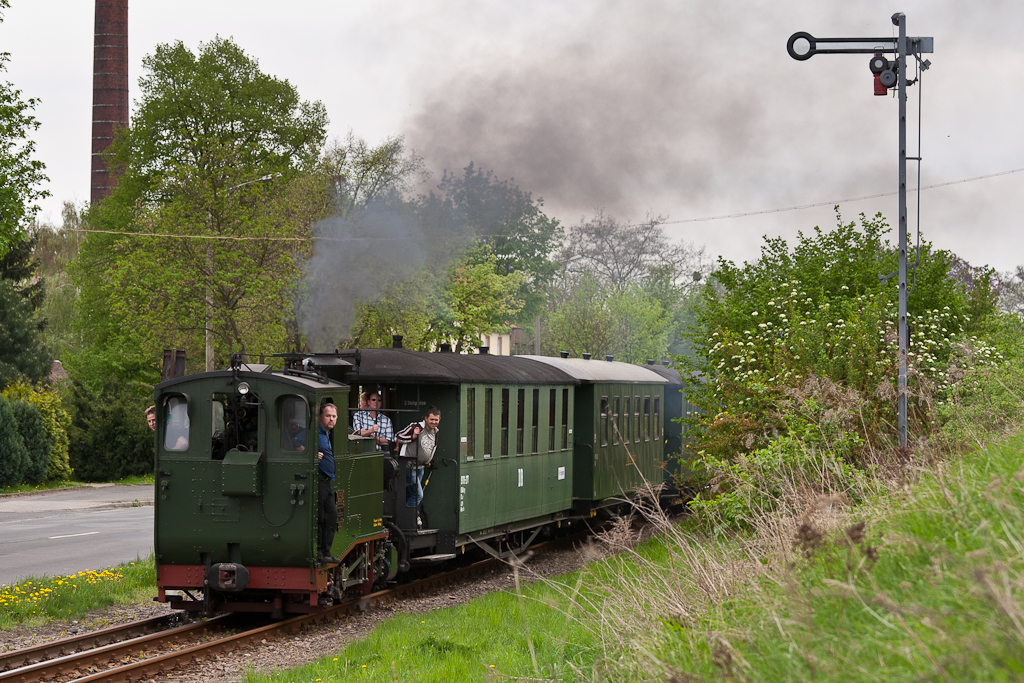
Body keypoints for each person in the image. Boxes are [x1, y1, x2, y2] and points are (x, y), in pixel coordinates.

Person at [396, 406, 440, 510]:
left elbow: (432, 447)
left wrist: (428, 461)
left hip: (421, 468)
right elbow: (398, 437)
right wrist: (413, 436)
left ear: (439, 419)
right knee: (418, 495)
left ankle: (408, 517)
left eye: (436, 420)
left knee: (411, 494)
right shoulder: (417, 427)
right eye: (431, 419)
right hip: (409, 466)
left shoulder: (436, 432)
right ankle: (408, 518)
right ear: (426, 418)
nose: (433, 422)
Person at [316, 403, 339, 567]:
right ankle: (318, 551)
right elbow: (295, 441)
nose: (331, 419)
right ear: (320, 417)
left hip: (327, 480)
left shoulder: (326, 434)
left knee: (331, 516)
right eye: (328, 416)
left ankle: (326, 551)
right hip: (319, 479)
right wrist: (310, 454)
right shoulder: (314, 433)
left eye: (334, 416)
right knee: (320, 517)